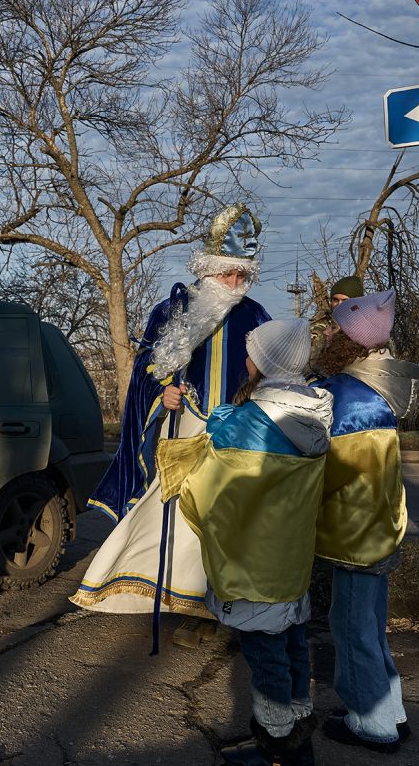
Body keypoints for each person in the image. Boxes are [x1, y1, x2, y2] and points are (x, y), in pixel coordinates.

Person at [70, 204, 270, 646]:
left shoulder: (256, 316)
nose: (236, 285)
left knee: (226, 522)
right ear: (211, 268)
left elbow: (272, 373)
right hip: (181, 435)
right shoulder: (172, 310)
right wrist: (162, 393)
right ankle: (178, 598)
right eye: (229, 275)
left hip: (234, 439)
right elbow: (146, 368)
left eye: (243, 276)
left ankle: (216, 605)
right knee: (177, 518)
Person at [156, 318, 333, 766]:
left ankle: (277, 750)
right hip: (291, 565)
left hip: (254, 567)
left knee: (266, 660)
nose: (245, 359)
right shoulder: (316, 414)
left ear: (265, 364)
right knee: (293, 647)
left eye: (252, 352)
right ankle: (297, 733)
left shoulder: (243, 425)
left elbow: (205, 490)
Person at [312, 289, 419, 754]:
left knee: (352, 629)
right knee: (371, 626)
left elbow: (331, 470)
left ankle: (371, 725)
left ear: (351, 339)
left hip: (354, 533)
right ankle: (389, 712)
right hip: (380, 525)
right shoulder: (379, 388)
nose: (329, 332)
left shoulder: (347, 396)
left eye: (336, 327)